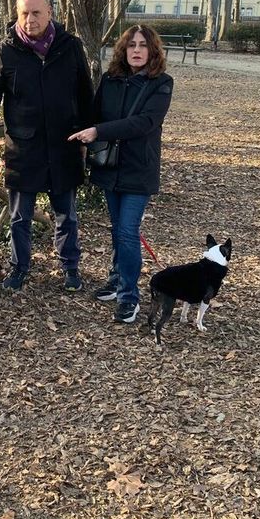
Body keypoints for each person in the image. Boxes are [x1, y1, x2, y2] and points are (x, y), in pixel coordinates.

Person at [0, 0, 94, 291]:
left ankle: (70, 268)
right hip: (24, 149)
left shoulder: (70, 47)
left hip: (65, 145)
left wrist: (90, 136)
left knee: (67, 216)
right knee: (20, 217)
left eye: (36, 12)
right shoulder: (5, 51)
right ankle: (19, 268)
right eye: (24, 13)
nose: (30, 19)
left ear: (50, 12)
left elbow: (85, 95)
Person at [68, 24, 173, 323]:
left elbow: (144, 123)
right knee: (117, 230)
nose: (137, 51)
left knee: (127, 232)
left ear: (152, 51)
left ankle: (129, 297)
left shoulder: (161, 83)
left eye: (142, 45)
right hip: (110, 166)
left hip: (139, 171)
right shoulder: (110, 80)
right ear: (123, 50)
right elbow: (94, 113)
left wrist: (98, 131)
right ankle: (116, 278)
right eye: (131, 45)